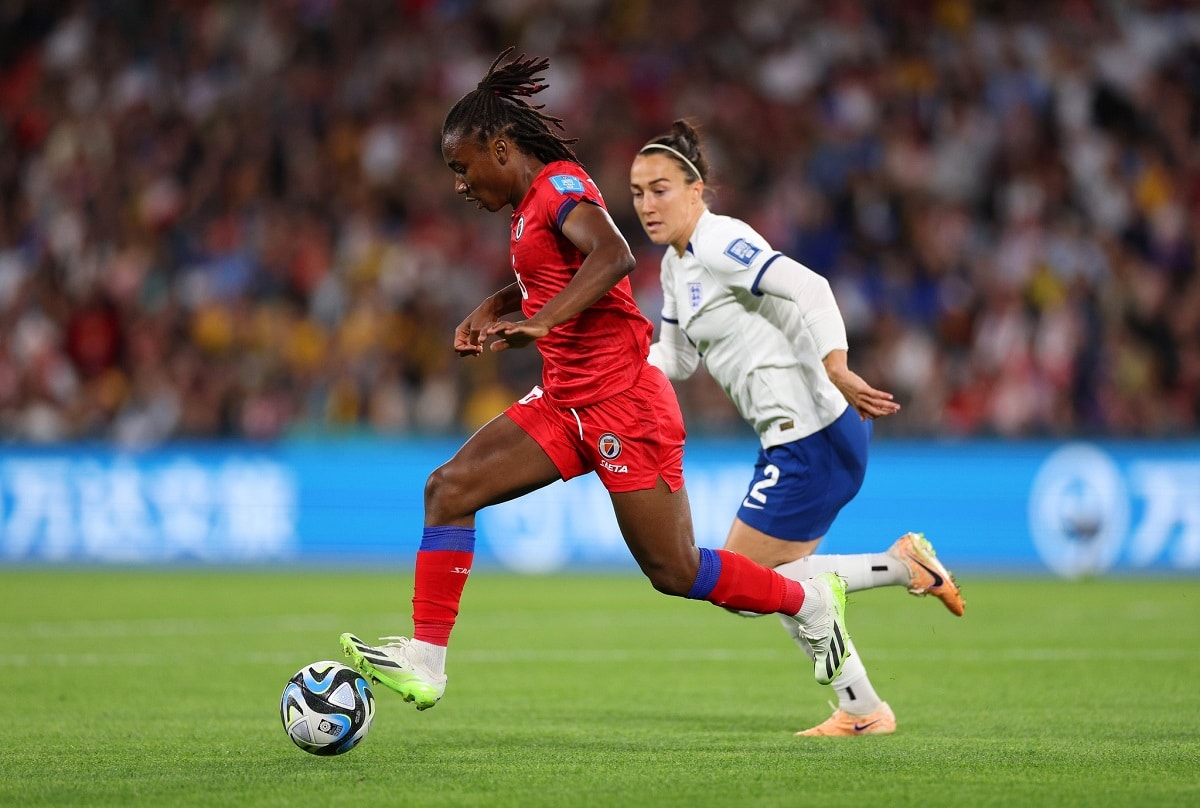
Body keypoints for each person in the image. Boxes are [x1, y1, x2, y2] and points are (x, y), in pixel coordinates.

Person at [339, 50, 853, 713]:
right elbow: (550, 274)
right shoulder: (530, 207)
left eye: (463, 168)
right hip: (565, 402)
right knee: (448, 487)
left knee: (674, 571)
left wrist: (541, 320)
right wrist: (497, 306)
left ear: (501, 147)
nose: (460, 185)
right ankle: (427, 661)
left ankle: (807, 600)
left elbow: (613, 253)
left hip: (623, 404)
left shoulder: (558, 188)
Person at [629, 119, 965, 737]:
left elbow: (810, 286)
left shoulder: (719, 242)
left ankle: (900, 570)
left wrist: (836, 363)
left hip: (812, 432)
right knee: (775, 585)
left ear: (696, 190)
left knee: (745, 581)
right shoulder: (677, 268)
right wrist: (612, 366)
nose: (647, 205)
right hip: (792, 438)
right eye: (637, 192)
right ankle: (863, 709)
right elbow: (675, 360)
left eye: (660, 189)